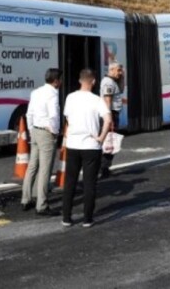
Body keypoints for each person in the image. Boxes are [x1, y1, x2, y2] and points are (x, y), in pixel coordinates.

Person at [61, 69, 112, 227]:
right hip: (91, 145)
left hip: (73, 144)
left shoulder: (70, 97)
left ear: (79, 80)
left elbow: (68, 119)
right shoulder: (97, 100)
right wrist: (101, 137)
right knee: (90, 183)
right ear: (94, 82)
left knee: (70, 181)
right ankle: (87, 219)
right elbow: (108, 120)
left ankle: (66, 218)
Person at [22, 68, 63, 215]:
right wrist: (55, 133)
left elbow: (29, 114)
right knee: (45, 169)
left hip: (35, 131)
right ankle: (42, 205)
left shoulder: (36, 92)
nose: (62, 82)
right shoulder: (52, 94)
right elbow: (53, 116)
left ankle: (26, 199)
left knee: (32, 166)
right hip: (46, 133)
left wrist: (31, 130)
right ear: (56, 81)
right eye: (61, 79)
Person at [99, 62, 124, 178]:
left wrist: (122, 77)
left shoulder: (113, 81)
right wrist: (109, 118)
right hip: (111, 114)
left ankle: (104, 167)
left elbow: (122, 90)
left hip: (113, 114)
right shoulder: (108, 82)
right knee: (110, 141)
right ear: (112, 70)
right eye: (119, 70)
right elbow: (107, 101)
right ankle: (103, 168)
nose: (120, 73)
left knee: (110, 141)